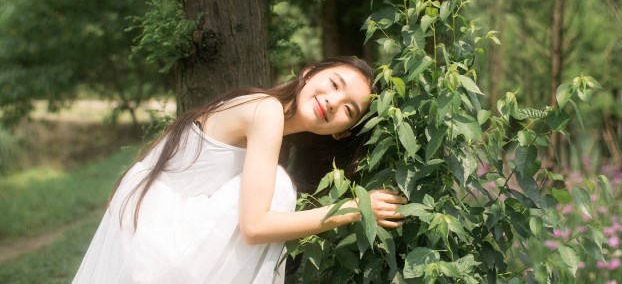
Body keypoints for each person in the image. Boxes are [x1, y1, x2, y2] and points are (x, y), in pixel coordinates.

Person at [72, 56, 407, 284]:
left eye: (348, 109)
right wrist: (354, 209)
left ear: (341, 132)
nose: (334, 101)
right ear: (308, 73)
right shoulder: (266, 111)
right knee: (279, 189)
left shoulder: (273, 129)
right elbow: (255, 226)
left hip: (150, 222)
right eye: (334, 84)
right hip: (159, 234)